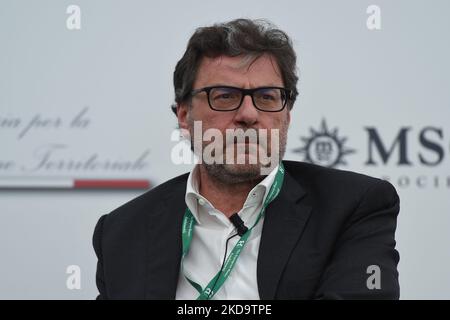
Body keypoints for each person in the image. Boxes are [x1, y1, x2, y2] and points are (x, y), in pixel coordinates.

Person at [93, 18, 400, 300]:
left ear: (287, 116)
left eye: (267, 97)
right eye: (224, 95)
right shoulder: (122, 232)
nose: (249, 115)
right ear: (184, 117)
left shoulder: (352, 207)